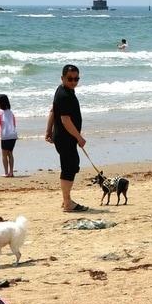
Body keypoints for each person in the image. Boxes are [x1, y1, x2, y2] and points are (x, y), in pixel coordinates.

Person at [45, 65, 87, 212]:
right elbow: (65, 120)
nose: (73, 82)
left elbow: (53, 110)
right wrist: (79, 137)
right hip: (65, 137)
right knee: (69, 168)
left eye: (76, 79)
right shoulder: (64, 95)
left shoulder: (63, 90)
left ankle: (66, 200)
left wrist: (48, 130)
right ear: (62, 78)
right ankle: (68, 202)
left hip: (64, 136)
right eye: (70, 79)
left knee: (72, 165)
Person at [0, 94, 18, 178]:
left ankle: (6, 172)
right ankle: (11, 172)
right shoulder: (10, 112)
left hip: (6, 135)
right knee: (10, 153)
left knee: (4, 155)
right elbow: (14, 123)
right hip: (13, 135)